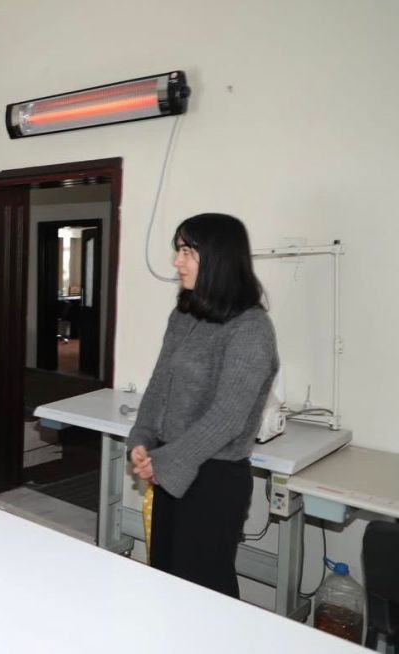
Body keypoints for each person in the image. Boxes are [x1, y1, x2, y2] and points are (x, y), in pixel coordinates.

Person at [128, 213, 279, 598]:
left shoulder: (251, 328)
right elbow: (159, 384)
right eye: (177, 251)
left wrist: (165, 462)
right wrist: (142, 439)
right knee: (164, 578)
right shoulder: (184, 315)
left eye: (186, 251)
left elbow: (227, 419)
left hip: (214, 479)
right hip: (171, 469)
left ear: (218, 258)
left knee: (201, 593)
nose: (177, 261)